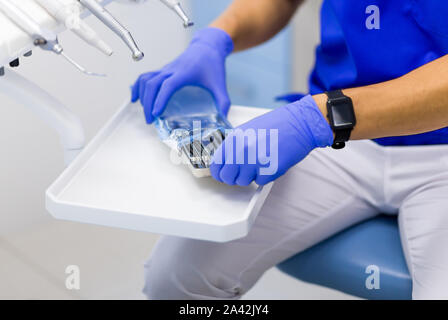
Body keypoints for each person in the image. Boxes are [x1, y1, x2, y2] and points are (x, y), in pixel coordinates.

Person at [132, 0, 448, 299]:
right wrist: (217, 38)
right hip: (339, 141)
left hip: (414, 147)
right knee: (174, 277)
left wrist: (311, 121)